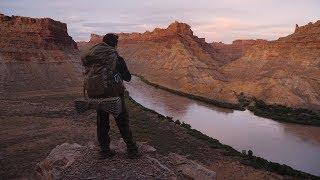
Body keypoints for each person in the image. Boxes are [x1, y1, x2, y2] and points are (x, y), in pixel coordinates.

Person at [82, 33, 139, 158]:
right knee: (122, 122)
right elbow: (128, 78)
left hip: (97, 95)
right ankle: (132, 150)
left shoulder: (93, 57)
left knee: (102, 123)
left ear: (103, 42)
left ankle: (104, 151)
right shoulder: (117, 59)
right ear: (115, 44)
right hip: (115, 96)